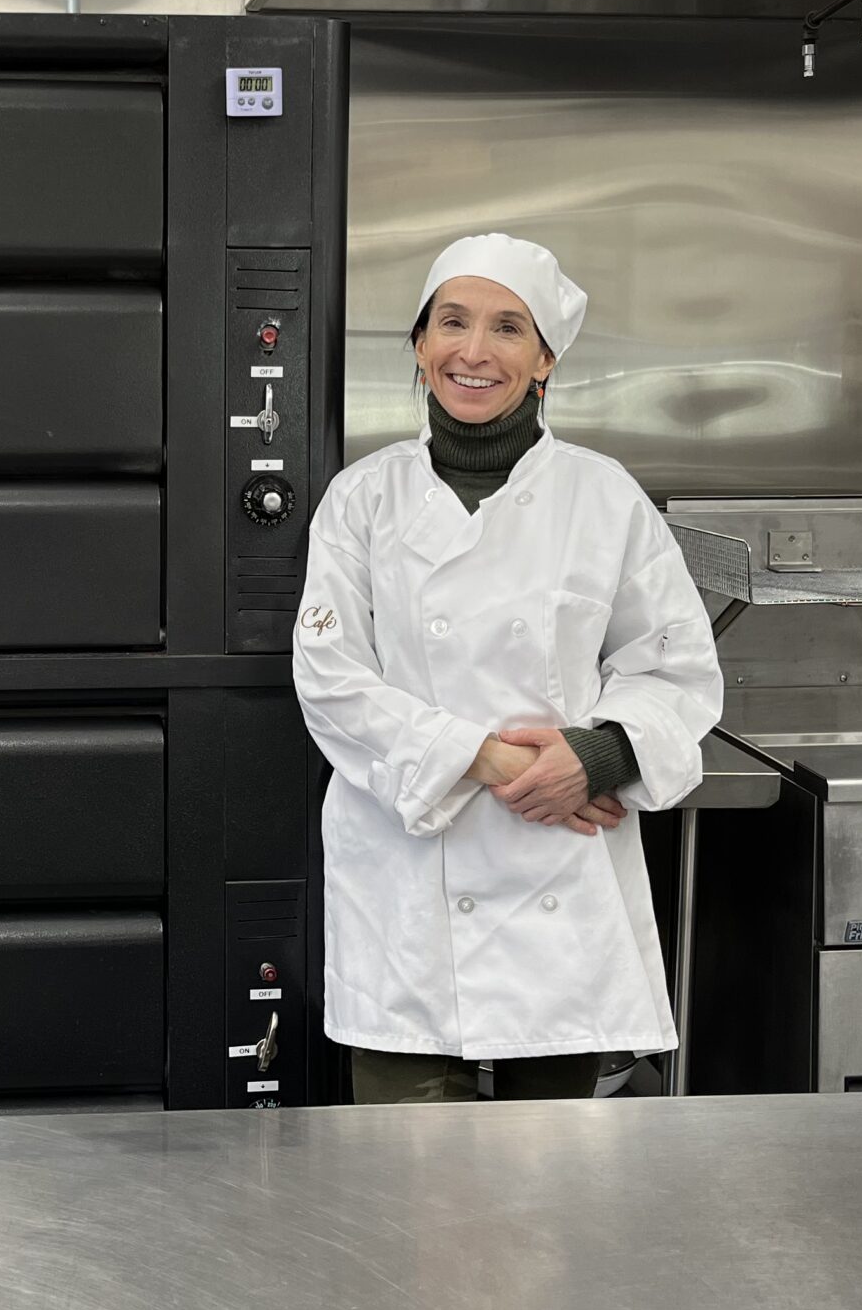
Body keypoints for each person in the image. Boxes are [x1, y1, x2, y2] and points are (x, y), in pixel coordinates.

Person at [292, 234, 724, 1104]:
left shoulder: (603, 498)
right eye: (452, 323)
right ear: (420, 345)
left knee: (550, 1196)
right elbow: (331, 681)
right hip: (407, 873)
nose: (474, 351)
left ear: (545, 360)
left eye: (507, 328)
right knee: (405, 1174)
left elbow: (676, 669)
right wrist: (492, 760)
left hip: (557, 878)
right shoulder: (361, 501)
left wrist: (597, 757)